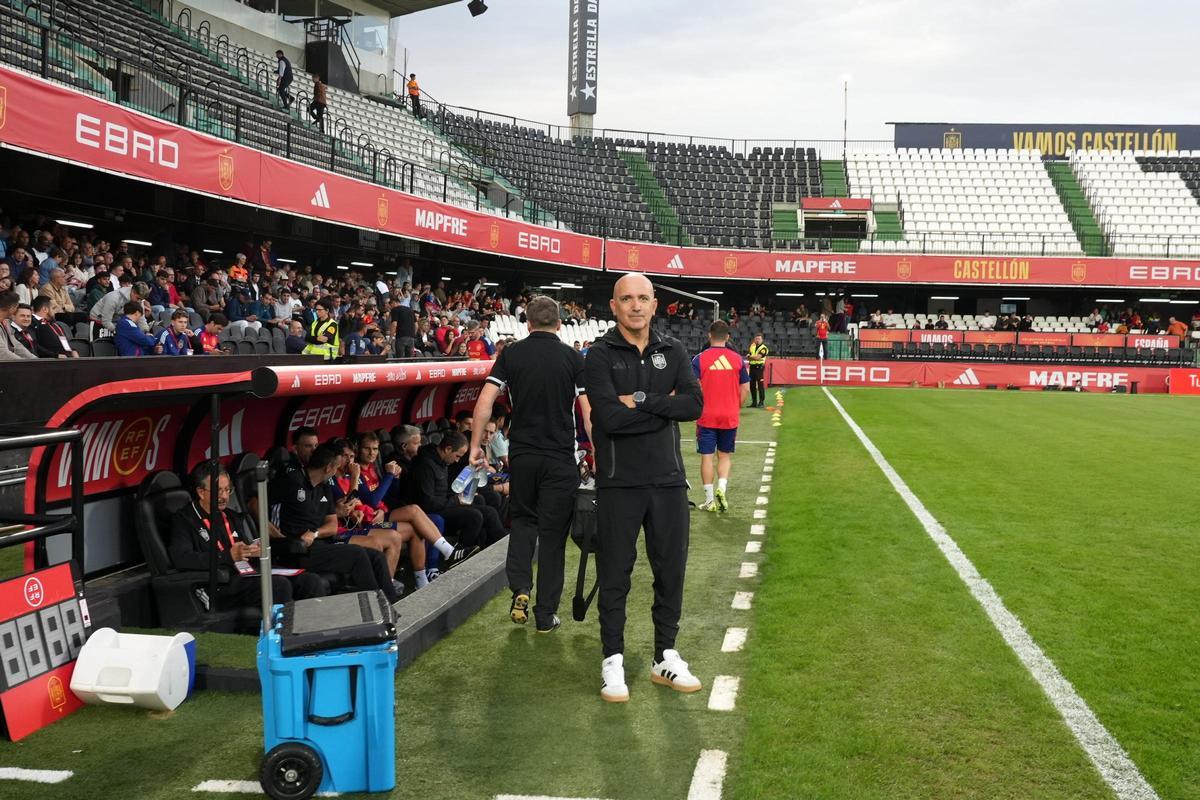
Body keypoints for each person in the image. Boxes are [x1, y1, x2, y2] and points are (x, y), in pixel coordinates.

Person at [584, 273, 704, 703]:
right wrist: (663, 407)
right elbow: (609, 420)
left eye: (643, 298)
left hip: (670, 482)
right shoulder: (597, 356)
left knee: (670, 571)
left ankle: (665, 656)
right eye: (626, 299)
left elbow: (693, 405)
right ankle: (612, 660)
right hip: (619, 484)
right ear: (613, 306)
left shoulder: (673, 350)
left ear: (655, 305)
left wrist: (643, 401)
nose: (635, 306)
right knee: (615, 573)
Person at [469, 295, 590, 632]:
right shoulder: (572, 357)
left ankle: (521, 587)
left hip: (522, 456)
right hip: (559, 458)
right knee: (553, 537)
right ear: (560, 325)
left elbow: (485, 401)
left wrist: (476, 446)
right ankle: (545, 614)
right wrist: (599, 451)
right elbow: (588, 410)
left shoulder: (512, 354)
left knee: (523, 523)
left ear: (528, 324)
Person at [169, 462, 326, 611]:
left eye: (227, 490)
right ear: (201, 492)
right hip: (219, 583)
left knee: (310, 581)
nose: (224, 496)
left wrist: (253, 551)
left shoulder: (231, 516)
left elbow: (244, 547)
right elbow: (182, 558)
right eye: (218, 491)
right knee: (278, 585)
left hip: (246, 574)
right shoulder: (184, 520)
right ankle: (279, 636)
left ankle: (311, 633)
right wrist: (226, 556)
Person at [271, 444, 399, 603]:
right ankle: (378, 608)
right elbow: (256, 503)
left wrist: (315, 533)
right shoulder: (292, 480)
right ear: (328, 468)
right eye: (336, 467)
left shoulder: (323, 487)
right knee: (357, 554)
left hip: (321, 543)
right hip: (298, 550)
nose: (335, 472)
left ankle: (392, 604)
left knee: (377, 556)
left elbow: (332, 526)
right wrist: (277, 536)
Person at [694, 320, 750, 513]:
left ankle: (709, 500)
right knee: (724, 456)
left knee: (707, 457)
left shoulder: (699, 359)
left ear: (709, 335)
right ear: (727, 337)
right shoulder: (737, 360)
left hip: (707, 416)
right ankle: (722, 488)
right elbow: (745, 389)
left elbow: (692, 387)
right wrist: (736, 407)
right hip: (729, 415)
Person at [0, 291, 35, 360]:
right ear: (12, 308)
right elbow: (2, 352)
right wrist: (26, 364)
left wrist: (36, 360)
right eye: (16, 307)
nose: (16, 310)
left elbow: (17, 346)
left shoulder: (6, 322)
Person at [746, 332, 769, 408]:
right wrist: (751, 356)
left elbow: (757, 357)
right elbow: (748, 355)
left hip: (759, 368)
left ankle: (761, 402)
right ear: (754, 339)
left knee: (760, 385)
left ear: (762, 340)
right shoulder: (752, 346)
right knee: (752, 385)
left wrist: (750, 356)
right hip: (752, 367)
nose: (757, 340)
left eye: (759, 339)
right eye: (756, 338)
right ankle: (754, 402)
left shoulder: (764, 348)